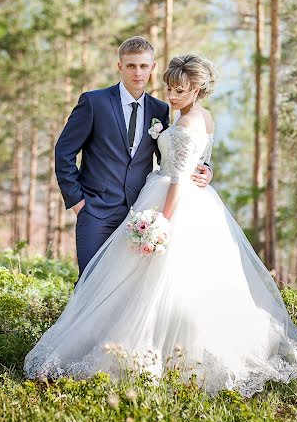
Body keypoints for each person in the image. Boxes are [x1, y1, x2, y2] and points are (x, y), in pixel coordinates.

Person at [24, 53, 297, 397]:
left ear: (196, 89)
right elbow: (197, 156)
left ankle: (157, 355)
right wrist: (205, 169)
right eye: (169, 87)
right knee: (134, 283)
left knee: (160, 287)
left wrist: (160, 222)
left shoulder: (183, 120)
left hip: (169, 203)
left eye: (179, 90)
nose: (171, 95)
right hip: (159, 199)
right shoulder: (190, 115)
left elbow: (182, 172)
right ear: (120, 65)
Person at [54, 36, 213, 279]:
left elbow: (174, 155)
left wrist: (206, 169)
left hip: (139, 214)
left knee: (127, 290)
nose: (137, 72)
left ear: (153, 67)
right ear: (120, 66)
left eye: (143, 66)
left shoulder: (160, 109)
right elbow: (64, 152)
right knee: (90, 283)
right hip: (96, 211)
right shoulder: (94, 102)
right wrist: (78, 202)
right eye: (131, 65)